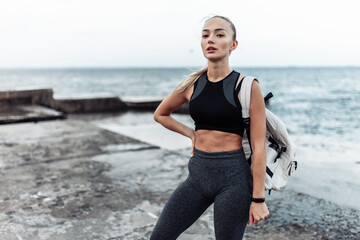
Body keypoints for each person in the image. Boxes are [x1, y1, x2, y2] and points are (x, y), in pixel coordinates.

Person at [150, 15, 269, 240]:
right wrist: (191, 135)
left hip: (233, 180)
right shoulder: (191, 84)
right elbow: (161, 114)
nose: (210, 39)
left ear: (233, 44)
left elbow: (258, 146)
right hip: (198, 176)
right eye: (205, 35)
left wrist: (258, 199)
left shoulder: (247, 86)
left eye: (219, 34)